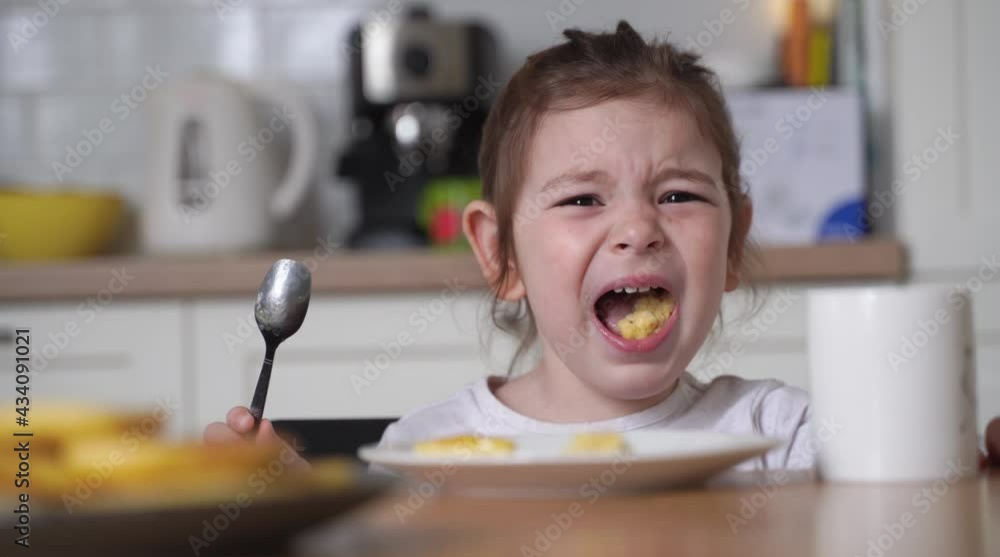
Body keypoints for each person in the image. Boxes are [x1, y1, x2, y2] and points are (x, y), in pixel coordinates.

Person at [205, 21, 1000, 471]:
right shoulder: (433, 451)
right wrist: (283, 498)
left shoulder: (787, 438)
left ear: (733, 245)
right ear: (500, 256)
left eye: (679, 194)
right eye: (584, 198)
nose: (637, 228)